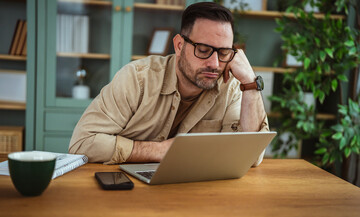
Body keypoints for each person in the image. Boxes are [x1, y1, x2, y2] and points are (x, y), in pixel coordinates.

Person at [69, 2, 269, 166]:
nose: (215, 64)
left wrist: (251, 84)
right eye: (203, 49)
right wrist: (158, 151)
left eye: (223, 52)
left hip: (195, 193)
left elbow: (250, 157)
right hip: (125, 190)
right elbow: (82, 143)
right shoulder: (137, 79)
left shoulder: (233, 86)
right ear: (179, 46)